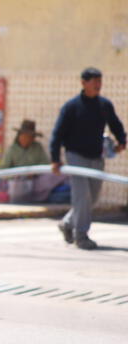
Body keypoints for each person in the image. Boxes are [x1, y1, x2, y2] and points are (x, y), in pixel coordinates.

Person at [50, 67, 126, 250]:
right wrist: (55, 159)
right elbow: (57, 134)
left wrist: (122, 141)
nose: (98, 85)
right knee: (82, 196)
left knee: (92, 197)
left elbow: (115, 124)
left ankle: (68, 223)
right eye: (94, 81)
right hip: (75, 157)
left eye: (100, 81)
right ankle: (81, 236)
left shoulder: (104, 105)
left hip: (96, 157)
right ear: (84, 83)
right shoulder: (72, 107)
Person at [0, 120, 68, 203]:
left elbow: (45, 165)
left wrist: (34, 173)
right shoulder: (12, 149)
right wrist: (17, 175)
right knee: (7, 183)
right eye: (25, 136)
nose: (27, 139)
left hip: (35, 181)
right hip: (17, 181)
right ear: (20, 136)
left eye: (30, 137)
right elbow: (3, 169)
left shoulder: (37, 147)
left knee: (59, 175)